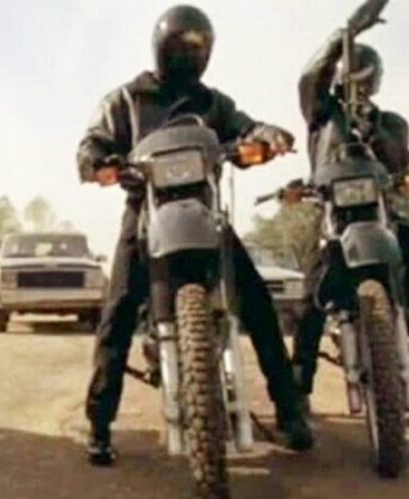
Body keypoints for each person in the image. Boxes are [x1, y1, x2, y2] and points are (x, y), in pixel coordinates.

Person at [77, 4, 313, 466]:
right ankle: (100, 424)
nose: (189, 56)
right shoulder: (127, 99)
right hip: (146, 213)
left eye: (197, 49)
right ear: (163, 49)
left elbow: (244, 128)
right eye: (183, 47)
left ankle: (290, 411)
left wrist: (265, 135)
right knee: (117, 311)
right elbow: (94, 140)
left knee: (258, 304)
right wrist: (96, 162)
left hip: (205, 213)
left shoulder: (213, 103)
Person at [293, 0, 409, 410]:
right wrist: (347, 32)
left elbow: (400, 162)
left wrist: (372, 130)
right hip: (334, 218)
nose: (356, 84)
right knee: (311, 300)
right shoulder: (321, 115)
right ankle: (298, 394)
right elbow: (309, 76)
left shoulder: (391, 123)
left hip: (382, 218)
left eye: (364, 77)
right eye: (350, 75)